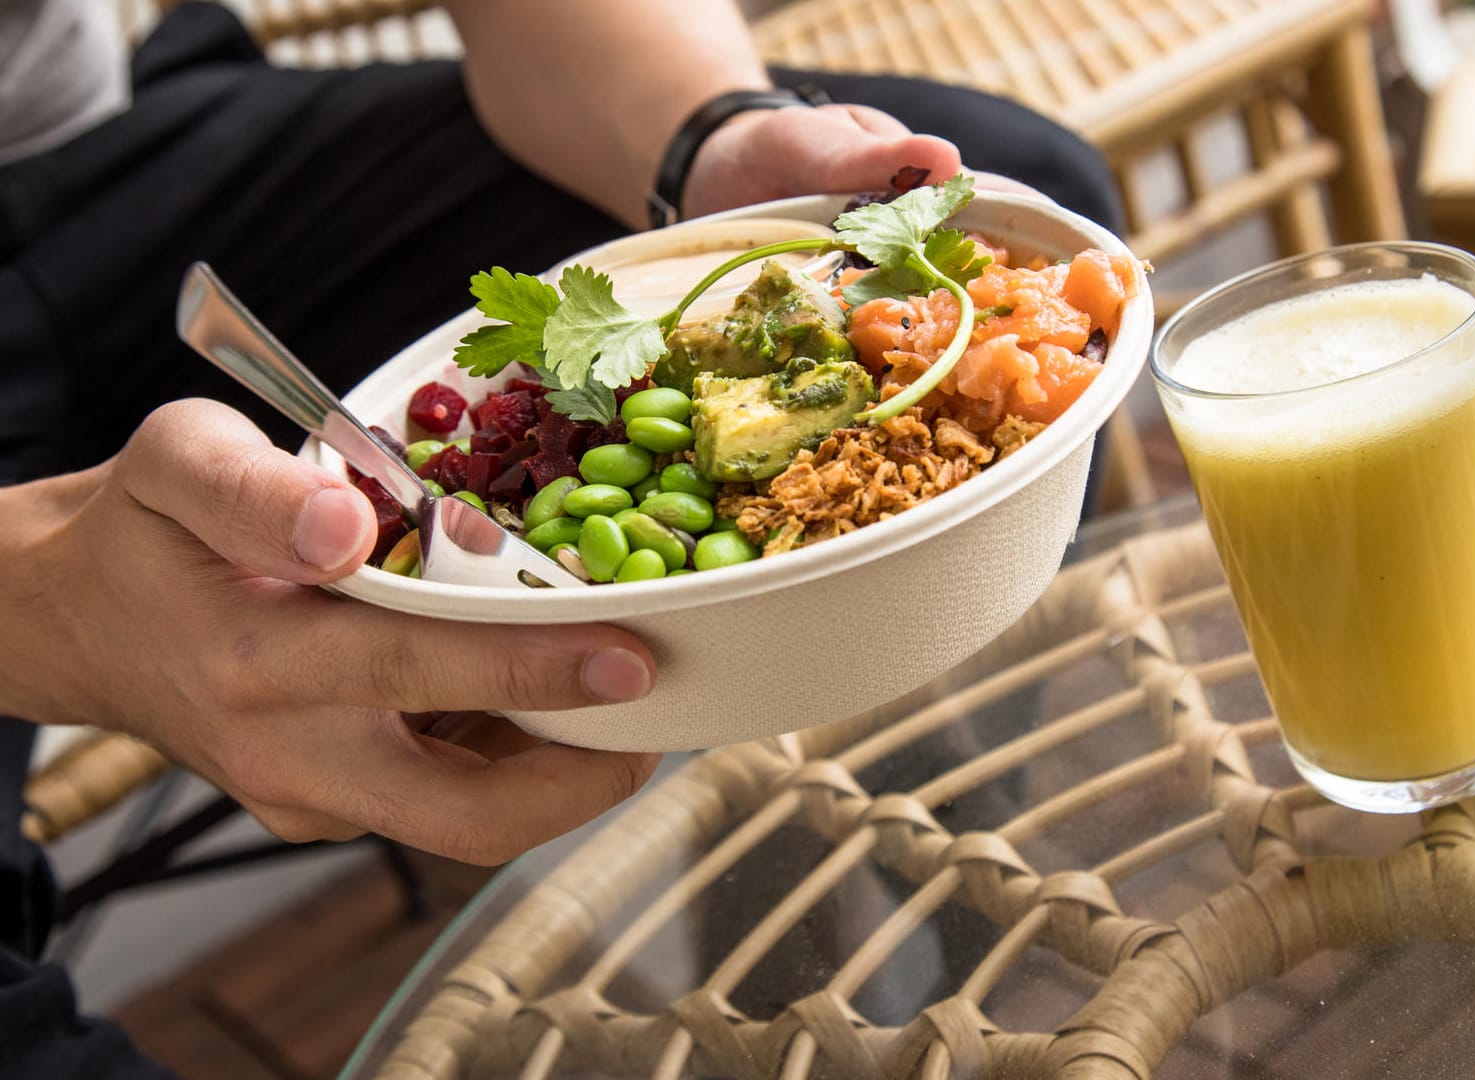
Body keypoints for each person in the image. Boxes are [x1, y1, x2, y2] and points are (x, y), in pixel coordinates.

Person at [0, 0, 1123, 1073]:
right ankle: (784, 987)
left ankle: (921, 888)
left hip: (119, 163)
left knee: (1017, 177)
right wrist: (44, 609)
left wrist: (704, 136)